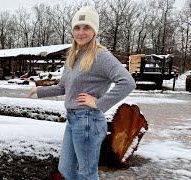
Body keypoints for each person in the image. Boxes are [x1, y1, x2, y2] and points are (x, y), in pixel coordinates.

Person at [27, 2, 136, 180]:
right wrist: (38, 90)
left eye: (86, 27)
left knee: (87, 173)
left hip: (88, 120)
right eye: (77, 27)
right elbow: (63, 87)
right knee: (66, 169)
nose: (81, 32)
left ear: (94, 31)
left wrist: (98, 104)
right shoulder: (73, 56)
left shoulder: (101, 56)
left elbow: (128, 82)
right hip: (73, 119)